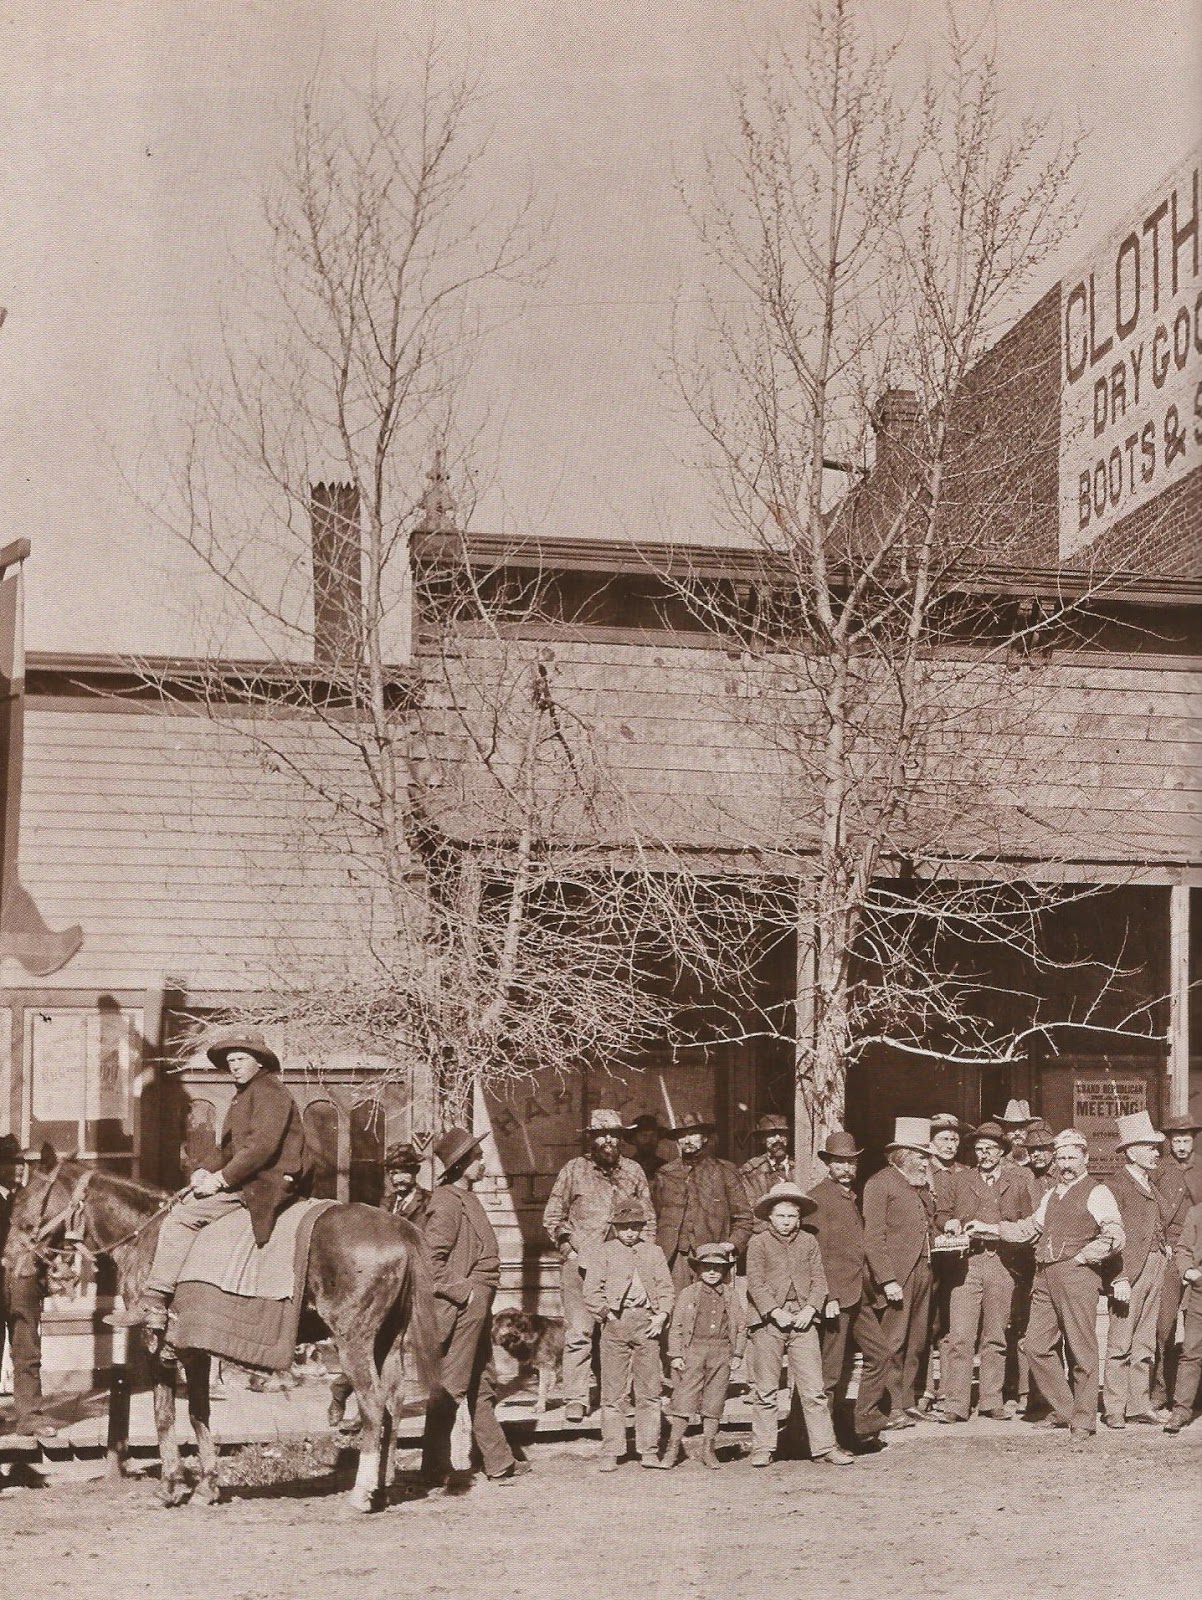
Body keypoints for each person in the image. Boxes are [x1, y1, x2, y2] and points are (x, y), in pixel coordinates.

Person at [112, 1027, 311, 1338]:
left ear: (259, 1062)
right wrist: (204, 1170)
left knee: (181, 1218)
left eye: (241, 1058)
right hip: (249, 1178)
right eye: (231, 1060)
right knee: (184, 1203)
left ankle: (155, 1302)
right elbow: (227, 1149)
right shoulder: (245, 1095)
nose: (234, 1065)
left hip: (265, 1182)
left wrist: (220, 1180)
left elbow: (261, 1148)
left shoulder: (271, 1092)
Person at [973, 1127, 1124, 1441]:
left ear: (1085, 1158)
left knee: (1082, 1349)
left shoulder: (1097, 1191)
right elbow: (1028, 1228)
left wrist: (1084, 1257)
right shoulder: (1052, 1194)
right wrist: (988, 1228)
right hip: (1045, 1277)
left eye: (1072, 1157)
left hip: (1076, 1275)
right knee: (1036, 1346)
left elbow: (1116, 1235)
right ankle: (1067, 1410)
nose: (1066, 1163)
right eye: (1062, 1157)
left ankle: (1083, 1422)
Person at [421, 1126, 528, 1486]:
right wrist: (464, 1292)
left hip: (480, 1303)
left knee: (481, 1383)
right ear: (462, 1163)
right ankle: (434, 1468)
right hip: (465, 1304)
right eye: (477, 1157)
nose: (483, 1162)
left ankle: (499, 1461)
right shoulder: (446, 1202)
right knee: (452, 1385)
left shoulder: (469, 1198)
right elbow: (429, 1261)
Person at [542, 1108, 653, 1423]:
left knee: (618, 1332)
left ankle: (617, 1397)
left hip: (621, 1267)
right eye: (602, 1134)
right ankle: (576, 1398)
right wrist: (568, 1248)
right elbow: (552, 1216)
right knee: (579, 1333)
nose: (609, 1141)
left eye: (615, 1135)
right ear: (591, 1138)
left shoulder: (633, 1171)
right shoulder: (573, 1170)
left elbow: (648, 1218)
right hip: (580, 1267)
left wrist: (642, 1260)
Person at [744, 1182, 853, 1468]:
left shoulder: (808, 1242)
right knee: (766, 1387)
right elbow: (755, 1282)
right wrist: (773, 1311)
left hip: (803, 1320)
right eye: (781, 1216)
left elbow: (819, 1280)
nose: (786, 1222)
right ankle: (764, 1447)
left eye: (792, 1216)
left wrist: (810, 1308)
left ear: (799, 1217)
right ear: (770, 1216)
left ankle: (824, 1447)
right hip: (769, 1323)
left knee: (813, 1388)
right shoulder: (758, 1243)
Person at [935, 1121, 1036, 1423]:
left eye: (990, 1149)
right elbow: (942, 1213)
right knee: (961, 1336)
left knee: (995, 1336)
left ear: (1002, 1152)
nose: (984, 1155)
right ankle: (955, 1403)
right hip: (967, 1263)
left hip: (1002, 1265)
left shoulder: (1016, 1183)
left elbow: (1027, 1223)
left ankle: (991, 1399)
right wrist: (948, 1224)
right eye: (979, 1149)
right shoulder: (959, 1180)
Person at [328, 1141, 430, 1430]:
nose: (398, 1179)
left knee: (385, 1348)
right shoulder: (383, 1205)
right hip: (381, 1285)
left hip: (411, 1283)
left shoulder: (428, 1203)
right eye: (394, 1172)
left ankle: (349, 1400)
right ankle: (356, 1406)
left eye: (404, 1172)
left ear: (415, 1173)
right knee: (368, 1344)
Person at [805, 1131, 890, 1452]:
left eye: (851, 1162)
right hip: (834, 1299)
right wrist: (824, 1297)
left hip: (859, 1294)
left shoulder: (850, 1196)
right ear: (828, 1164)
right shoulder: (817, 1199)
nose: (846, 1168)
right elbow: (814, 1256)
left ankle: (862, 1425)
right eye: (839, 1162)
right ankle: (822, 1443)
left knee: (880, 1355)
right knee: (829, 1372)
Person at [856, 1118, 937, 1434]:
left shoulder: (919, 1186)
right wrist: (887, 1279)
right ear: (903, 1154)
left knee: (916, 1342)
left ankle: (906, 1403)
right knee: (892, 1342)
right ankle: (888, 1408)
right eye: (920, 1155)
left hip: (923, 1271)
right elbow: (872, 1236)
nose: (925, 1161)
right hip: (898, 1276)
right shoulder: (880, 1183)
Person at [583, 1195, 673, 1472]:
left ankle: (648, 1449)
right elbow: (591, 1291)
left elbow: (666, 1289)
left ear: (642, 1227)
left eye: (635, 1226)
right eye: (624, 1227)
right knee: (613, 1392)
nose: (630, 1232)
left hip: (646, 1323)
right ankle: (612, 1450)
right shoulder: (603, 1252)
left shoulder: (654, 1252)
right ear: (614, 1227)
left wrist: (661, 1316)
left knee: (649, 1391)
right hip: (615, 1324)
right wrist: (606, 1315)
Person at [1101, 1111, 1174, 1428]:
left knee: (1144, 1340)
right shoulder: (1115, 1186)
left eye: (1157, 1148)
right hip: (1129, 1271)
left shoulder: (1149, 1184)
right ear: (1131, 1151)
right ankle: (1115, 1408)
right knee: (1120, 1341)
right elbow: (1107, 1236)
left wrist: (1166, 1246)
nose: (1156, 1153)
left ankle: (1138, 1404)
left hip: (1155, 1264)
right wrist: (1117, 1277)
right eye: (1149, 1147)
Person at [659, 1241, 745, 1469]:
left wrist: (737, 1354)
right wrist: (675, 1354)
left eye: (718, 1268)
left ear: (725, 1271)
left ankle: (709, 1449)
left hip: (721, 1351)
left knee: (714, 1401)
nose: (712, 1273)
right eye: (707, 1268)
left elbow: (740, 1326)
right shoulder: (688, 1294)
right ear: (698, 1270)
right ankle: (673, 1450)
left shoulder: (731, 1295)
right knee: (683, 1400)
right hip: (693, 1350)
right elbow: (676, 1326)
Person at [653, 1112, 752, 1291]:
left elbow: (744, 1218)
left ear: (705, 1137)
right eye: (682, 1135)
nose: (687, 1139)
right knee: (677, 1307)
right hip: (675, 1258)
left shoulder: (724, 1171)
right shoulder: (665, 1174)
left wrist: (729, 1244)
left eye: (692, 1133)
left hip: (712, 1258)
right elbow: (655, 1216)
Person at [0, 1140, 58, 1439]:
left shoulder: (28, 1199)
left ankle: (29, 1416)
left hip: (23, 1282)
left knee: (27, 1350)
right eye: (9, 1162)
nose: (18, 1167)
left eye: (20, 1162)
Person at [1152, 1113, 1202, 1411]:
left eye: (1186, 1140)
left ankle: (1192, 1394)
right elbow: (1152, 1214)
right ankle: (1161, 1390)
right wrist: (1162, 1245)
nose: (1181, 1146)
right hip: (1169, 1253)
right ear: (1169, 1142)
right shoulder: (1159, 1170)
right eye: (1176, 1140)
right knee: (1163, 1326)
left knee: (1195, 1326)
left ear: (1193, 1140)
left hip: (1196, 1254)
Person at [924, 1113, 970, 1414]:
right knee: (928, 1324)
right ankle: (926, 1387)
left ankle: (948, 1390)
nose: (950, 1145)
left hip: (954, 1257)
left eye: (954, 1139)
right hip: (928, 1258)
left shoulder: (965, 1173)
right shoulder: (922, 1172)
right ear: (931, 1142)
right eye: (944, 1139)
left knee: (952, 1325)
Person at [1165, 1196, 1202, 1433]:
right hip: (1200, 1293)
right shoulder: (1196, 1213)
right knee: (1191, 1352)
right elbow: (1183, 1249)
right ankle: (1181, 1410)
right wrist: (1189, 1271)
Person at [739, 1114, 796, 1219]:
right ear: (762, 1139)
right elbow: (750, 1210)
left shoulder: (799, 1167)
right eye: (772, 1134)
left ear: (788, 1138)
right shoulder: (751, 1172)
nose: (778, 1139)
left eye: (782, 1134)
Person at [624, 1114, 669, 1185]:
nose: (649, 1140)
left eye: (653, 1135)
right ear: (634, 1139)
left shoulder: (665, 1166)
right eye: (643, 1135)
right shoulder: (627, 1168)